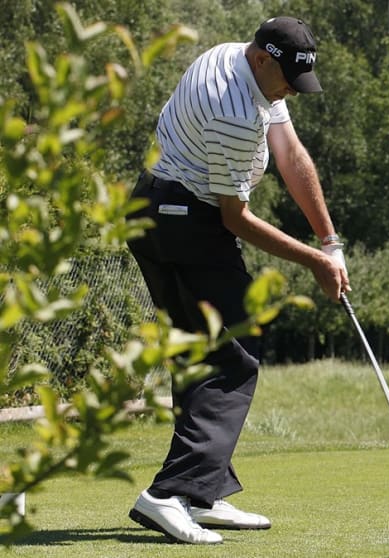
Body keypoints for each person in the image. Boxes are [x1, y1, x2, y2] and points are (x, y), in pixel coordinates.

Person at [125, 16, 348, 545]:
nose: (293, 91)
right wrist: (314, 263)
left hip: (155, 209)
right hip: (185, 218)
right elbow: (235, 219)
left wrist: (329, 241)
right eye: (289, 80)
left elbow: (292, 156)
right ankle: (169, 494)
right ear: (263, 58)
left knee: (200, 353)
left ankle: (199, 493)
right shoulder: (232, 112)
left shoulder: (245, 61)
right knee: (234, 352)